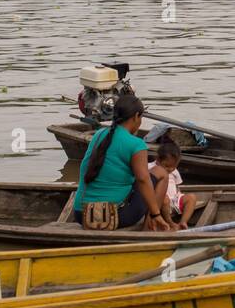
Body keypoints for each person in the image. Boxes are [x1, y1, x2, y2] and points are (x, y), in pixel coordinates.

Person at [73, 95, 174, 231]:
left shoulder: (98, 135)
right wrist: (156, 214)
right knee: (160, 173)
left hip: (81, 213)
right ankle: (150, 227)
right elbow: (143, 181)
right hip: (111, 216)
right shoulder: (137, 144)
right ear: (136, 116)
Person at [150, 140, 198, 228]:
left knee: (192, 197)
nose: (170, 169)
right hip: (160, 202)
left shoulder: (174, 171)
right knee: (165, 199)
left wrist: (179, 196)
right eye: (167, 166)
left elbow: (177, 187)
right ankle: (170, 222)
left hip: (174, 200)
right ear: (158, 160)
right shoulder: (150, 167)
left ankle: (183, 222)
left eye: (174, 166)